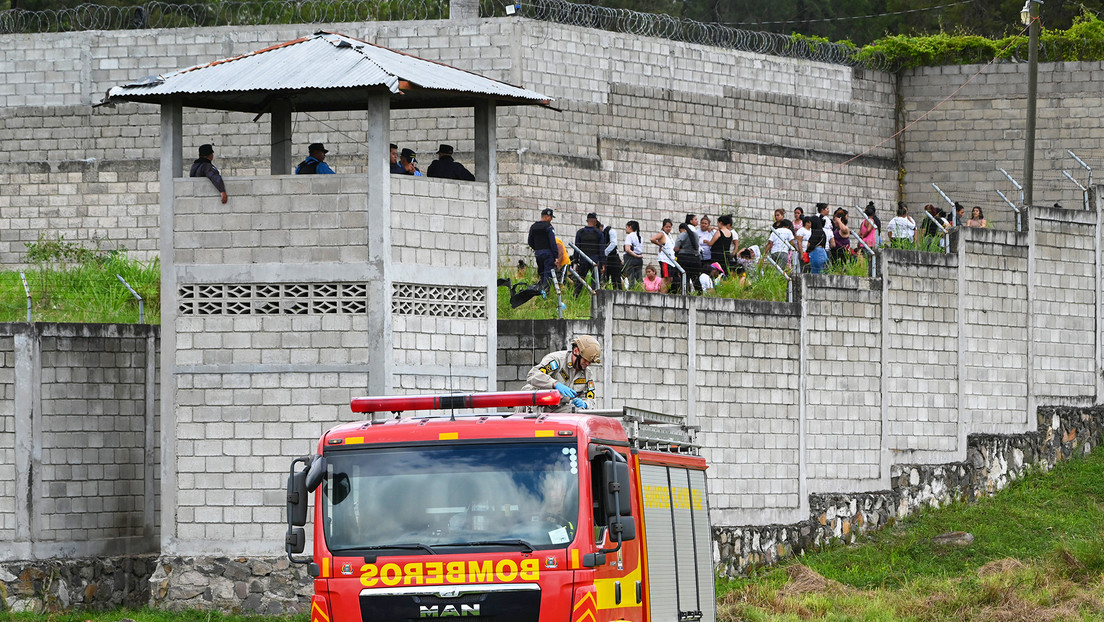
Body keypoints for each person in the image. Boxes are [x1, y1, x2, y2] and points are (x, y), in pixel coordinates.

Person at [522, 335, 601, 412]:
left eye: (590, 362)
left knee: (577, 411)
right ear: (576, 351)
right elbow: (532, 375)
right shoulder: (557, 360)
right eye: (585, 360)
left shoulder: (587, 373)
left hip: (557, 408)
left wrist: (585, 404)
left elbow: (590, 397)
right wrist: (555, 384)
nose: (587, 363)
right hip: (534, 404)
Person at [573, 212, 605, 296]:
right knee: (595, 281)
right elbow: (602, 250)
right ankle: (595, 298)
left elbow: (576, 249)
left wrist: (575, 262)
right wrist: (603, 264)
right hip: (594, 261)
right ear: (595, 221)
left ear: (587, 221)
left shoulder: (580, 232)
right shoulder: (599, 233)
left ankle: (575, 297)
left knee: (580, 280)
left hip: (583, 260)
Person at [527, 208, 559, 293]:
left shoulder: (533, 226)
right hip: (548, 253)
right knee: (547, 275)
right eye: (551, 217)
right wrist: (556, 256)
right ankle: (545, 293)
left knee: (541, 273)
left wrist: (537, 248)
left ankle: (540, 292)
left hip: (538, 253)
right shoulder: (549, 227)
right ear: (547, 217)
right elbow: (553, 242)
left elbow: (530, 241)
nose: (551, 219)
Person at [673, 222, 703, 294]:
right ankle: (699, 293)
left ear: (682, 229)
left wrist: (681, 249)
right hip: (695, 259)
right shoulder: (695, 235)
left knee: (684, 277)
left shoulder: (682, 235)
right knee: (695, 278)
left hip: (684, 259)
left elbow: (676, 248)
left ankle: (685, 293)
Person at [651, 218, 677, 293]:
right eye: (667, 227)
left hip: (671, 260)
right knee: (665, 278)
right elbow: (652, 239)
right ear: (663, 227)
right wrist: (660, 245)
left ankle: (666, 292)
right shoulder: (662, 234)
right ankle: (663, 293)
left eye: (669, 227)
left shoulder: (670, 236)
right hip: (665, 259)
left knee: (670, 278)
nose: (668, 228)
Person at [622, 221, 644, 287]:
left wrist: (635, 255)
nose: (626, 229)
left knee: (631, 280)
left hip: (630, 258)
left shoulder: (629, 236)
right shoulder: (640, 237)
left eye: (626, 227)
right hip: (639, 260)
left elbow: (627, 249)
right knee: (640, 279)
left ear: (630, 227)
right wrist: (638, 256)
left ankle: (632, 293)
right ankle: (644, 292)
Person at [602, 223, 622, 290]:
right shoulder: (600, 233)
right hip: (605, 260)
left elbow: (613, 243)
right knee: (604, 279)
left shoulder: (611, 231)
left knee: (616, 280)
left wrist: (604, 253)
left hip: (613, 258)